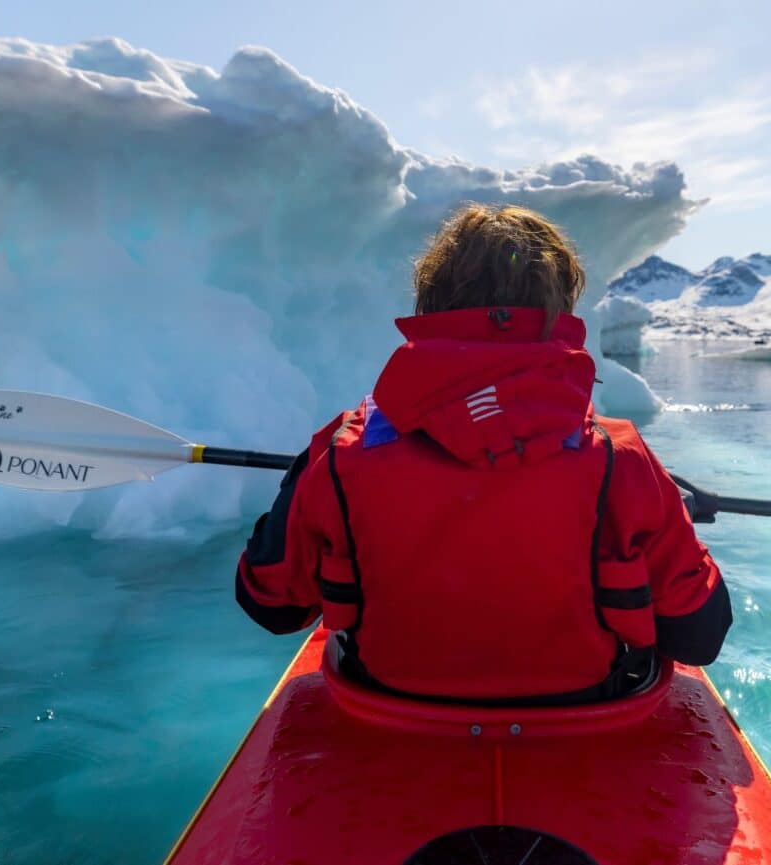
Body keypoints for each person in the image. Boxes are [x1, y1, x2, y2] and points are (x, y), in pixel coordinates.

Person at [234, 204, 730, 704]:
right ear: (559, 310)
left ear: (431, 307)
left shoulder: (342, 448)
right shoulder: (619, 454)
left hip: (387, 704)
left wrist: (306, 485)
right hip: (586, 707)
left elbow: (269, 603)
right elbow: (698, 634)